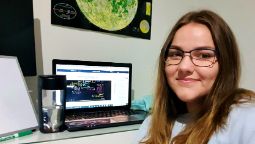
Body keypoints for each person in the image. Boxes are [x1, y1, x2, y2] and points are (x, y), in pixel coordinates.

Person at [134, 9, 255, 144]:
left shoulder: (247, 119)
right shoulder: (150, 125)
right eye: (175, 54)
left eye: (204, 55)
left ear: (226, 63)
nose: (184, 67)